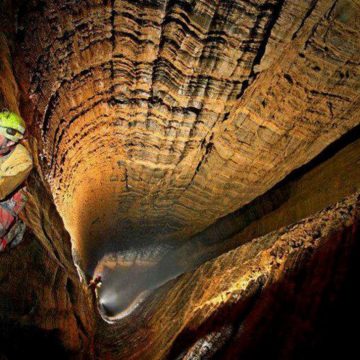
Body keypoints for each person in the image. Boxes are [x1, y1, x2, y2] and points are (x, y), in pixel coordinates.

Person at [0, 111, 33, 252]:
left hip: (9, 198)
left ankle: (14, 231)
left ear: (11, 141)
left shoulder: (23, 161)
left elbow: (2, 190)